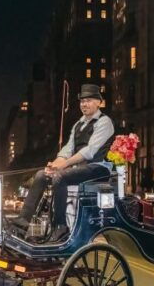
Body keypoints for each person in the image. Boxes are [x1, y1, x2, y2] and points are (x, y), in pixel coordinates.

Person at [10, 84, 115, 243]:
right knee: (41, 174)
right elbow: (67, 149)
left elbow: (90, 151)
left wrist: (63, 165)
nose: (84, 104)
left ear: (99, 102)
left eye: (88, 100)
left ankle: (61, 227)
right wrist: (54, 164)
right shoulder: (78, 124)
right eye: (82, 101)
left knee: (60, 177)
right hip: (80, 168)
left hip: (99, 167)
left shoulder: (104, 122)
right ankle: (21, 222)